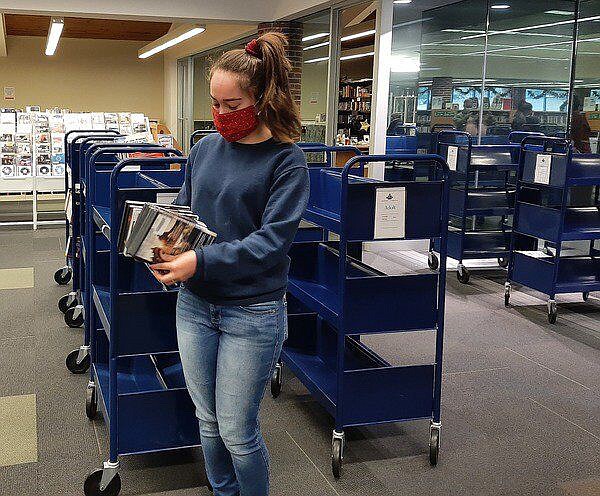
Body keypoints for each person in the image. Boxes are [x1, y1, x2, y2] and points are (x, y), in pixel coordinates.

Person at [150, 32, 309, 496]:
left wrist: (198, 261)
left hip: (252, 313)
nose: (220, 115)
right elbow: (185, 213)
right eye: (214, 103)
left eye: (232, 103)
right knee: (207, 420)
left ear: (263, 98)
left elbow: (271, 244)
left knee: (238, 432)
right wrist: (164, 247)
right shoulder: (202, 149)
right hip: (195, 306)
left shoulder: (286, 161)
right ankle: (223, 492)